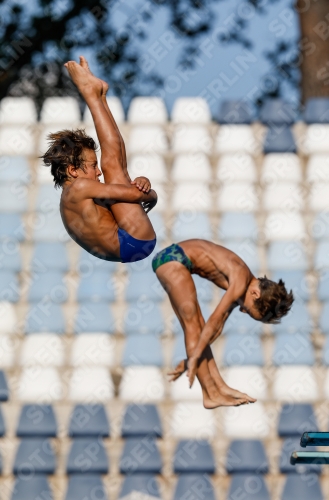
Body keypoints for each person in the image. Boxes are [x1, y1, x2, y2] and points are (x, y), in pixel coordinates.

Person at [41, 56, 157, 263]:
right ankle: (91, 94)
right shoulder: (79, 188)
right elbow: (135, 194)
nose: (98, 172)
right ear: (72, 170)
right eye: (92, 166)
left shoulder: (74, 194)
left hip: (130, 243)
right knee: (114, 167)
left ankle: (100, 95)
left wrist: (142, 186)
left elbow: (131, 191)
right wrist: (151, 194)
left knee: (118, 169)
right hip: (132, 241)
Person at [152, 240, 294, 409]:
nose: (242, 311)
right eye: (247, 310)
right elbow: (215, 319)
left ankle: (219, 386)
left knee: (199, 327)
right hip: (173, 260)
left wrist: (191, 357)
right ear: (255, 294)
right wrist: (195, 357)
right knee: (194, 327)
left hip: (174, 261)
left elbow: (216, 329)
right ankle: (209, 394)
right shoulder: (241, 278)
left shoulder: (244, 288)